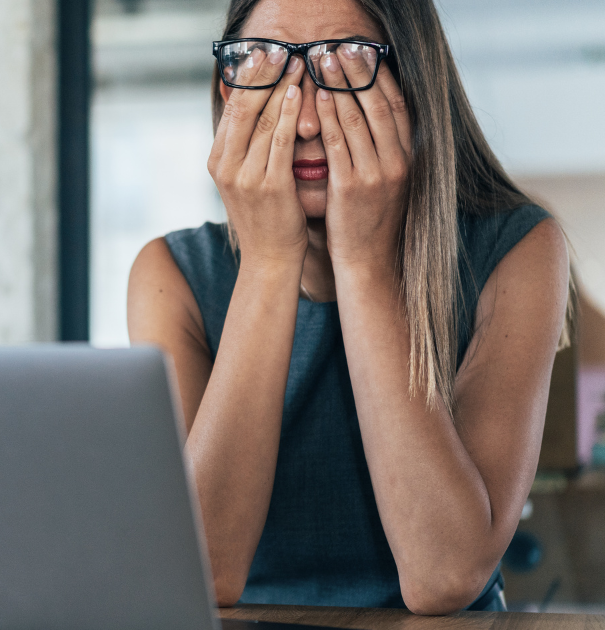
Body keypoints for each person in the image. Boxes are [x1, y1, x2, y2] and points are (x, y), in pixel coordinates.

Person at [126, 0, 573, 615]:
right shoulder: (171, 274)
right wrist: (268, 263)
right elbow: (202, 574)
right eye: (271, 67)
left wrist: (362, 262)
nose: (307, 120)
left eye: (348, 61)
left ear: (414, 86)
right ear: (227, 90)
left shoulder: (518, 251)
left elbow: (444, 575)